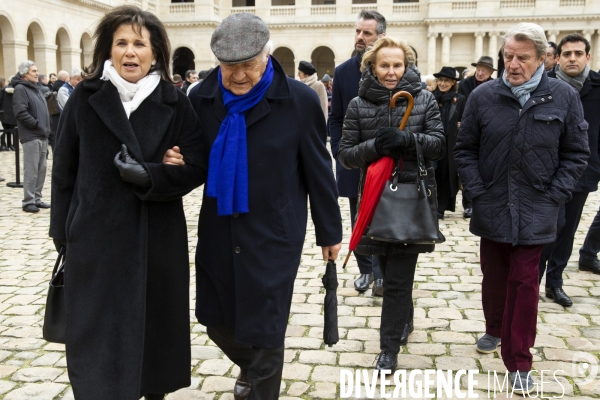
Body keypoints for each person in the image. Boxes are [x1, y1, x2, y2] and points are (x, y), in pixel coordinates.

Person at [165, 13, 342, 400]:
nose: (239, 76)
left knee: (265, 331)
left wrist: (329, 232)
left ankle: (260, 381)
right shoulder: (202, 97)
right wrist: (178, 161)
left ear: (266, 56)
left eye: (248, 65)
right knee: (214, 321)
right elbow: (196, 160)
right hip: (219, 229)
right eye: (230, 67)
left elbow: (318, 169)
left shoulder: (299, 100)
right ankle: (253, 366)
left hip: (274, 234)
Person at [49, 6, 207, 399]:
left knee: (154, 345)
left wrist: (152, 175)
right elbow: (63, 173)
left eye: (140, 43)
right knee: (95, 346)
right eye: (122, 43)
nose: (130, 52)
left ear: (155, 53)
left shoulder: (174, 101)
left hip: (156, 242)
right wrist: (64, 235)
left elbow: (197, 166)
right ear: (108, 50)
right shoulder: (84, 100)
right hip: (95, 243)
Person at [454, 22, 589, 394]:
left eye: (522, 58)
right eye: (508, 56)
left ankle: (519, 360)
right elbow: (464, 149)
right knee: (494, 277)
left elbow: (576, 153)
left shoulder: (563, 97)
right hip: (492, 204)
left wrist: (555, 195)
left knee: (526, 282)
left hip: (539, 207)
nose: (513, 64)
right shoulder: (483, 96)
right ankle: (494, 327)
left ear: (544, 59)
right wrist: (478, 192)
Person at [339, 37, 444, 372]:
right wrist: (375, 147)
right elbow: (345, 155)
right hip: (372, 199)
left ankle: (388, 350)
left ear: (407, 65)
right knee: (385, 267)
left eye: (397, 64)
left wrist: (408, 140)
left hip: (409, 197)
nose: (391, 71)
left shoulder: (424, 100)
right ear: (372, 66)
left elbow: (439, 145)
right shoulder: (357, 104)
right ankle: (404, 319)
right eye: (384, 65)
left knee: (397, 278)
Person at [539, 33, 600, 303]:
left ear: (588, 57)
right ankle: (531, 281)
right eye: (567, 54)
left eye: (578, 53)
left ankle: (555, 282)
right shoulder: (544, 85)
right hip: (547, 172)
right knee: (548, 227)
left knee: (568, 230)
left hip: (583, 170)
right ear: (558, 58)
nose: (572, 58)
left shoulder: (598, 87)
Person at [329, 10, 385, 295]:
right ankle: (365, 270)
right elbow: (335, 116)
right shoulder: (342, 71)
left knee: (385, 216)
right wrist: (339, 148)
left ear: (381, 37)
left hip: (386, 160)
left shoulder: (391, 68)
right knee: (358, 217)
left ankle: (382, 272)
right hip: (353, 159)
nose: (360, 37)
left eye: (367, 33)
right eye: (358, 32)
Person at [457, 55, 496, 218]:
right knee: (469, 166)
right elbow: (459, 104)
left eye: (484, 70)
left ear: (489, 72)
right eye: (478, 69)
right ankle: (469, 205)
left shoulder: (495, 85)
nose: (480, 73)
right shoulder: (465, 84)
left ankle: (485, 203)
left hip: (488, 130)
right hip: (469, 127)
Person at [12, 62, 51, 213]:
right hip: (31, 135)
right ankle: (28, 201)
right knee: (32, 169)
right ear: (24, 74)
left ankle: (37, 198)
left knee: (41, 168)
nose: (37, 73)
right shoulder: (21, 89)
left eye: (37, 70)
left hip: (42, 134)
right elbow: (20, 112)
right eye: (34, 71)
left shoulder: (36, 88)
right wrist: (35, 124)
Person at [432, 66, 465, 219]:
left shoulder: (459, 100)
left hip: (450, 143)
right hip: (433, 142)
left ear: (453, 82)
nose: (443, 83)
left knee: (446, 176)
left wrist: (461, 124)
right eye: (440, 80)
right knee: (433, 174)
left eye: (446, 81)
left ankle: (441, 207)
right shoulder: (431, 97)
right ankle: (431, 204)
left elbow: (466, 118)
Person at [0, 77, 16, 151]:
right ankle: (13, 145)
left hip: (3, 112)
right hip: (12, 112)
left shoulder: (2, 90)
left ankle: (3, 145)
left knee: (4, 130)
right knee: (12, 129)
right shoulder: (14, 90)